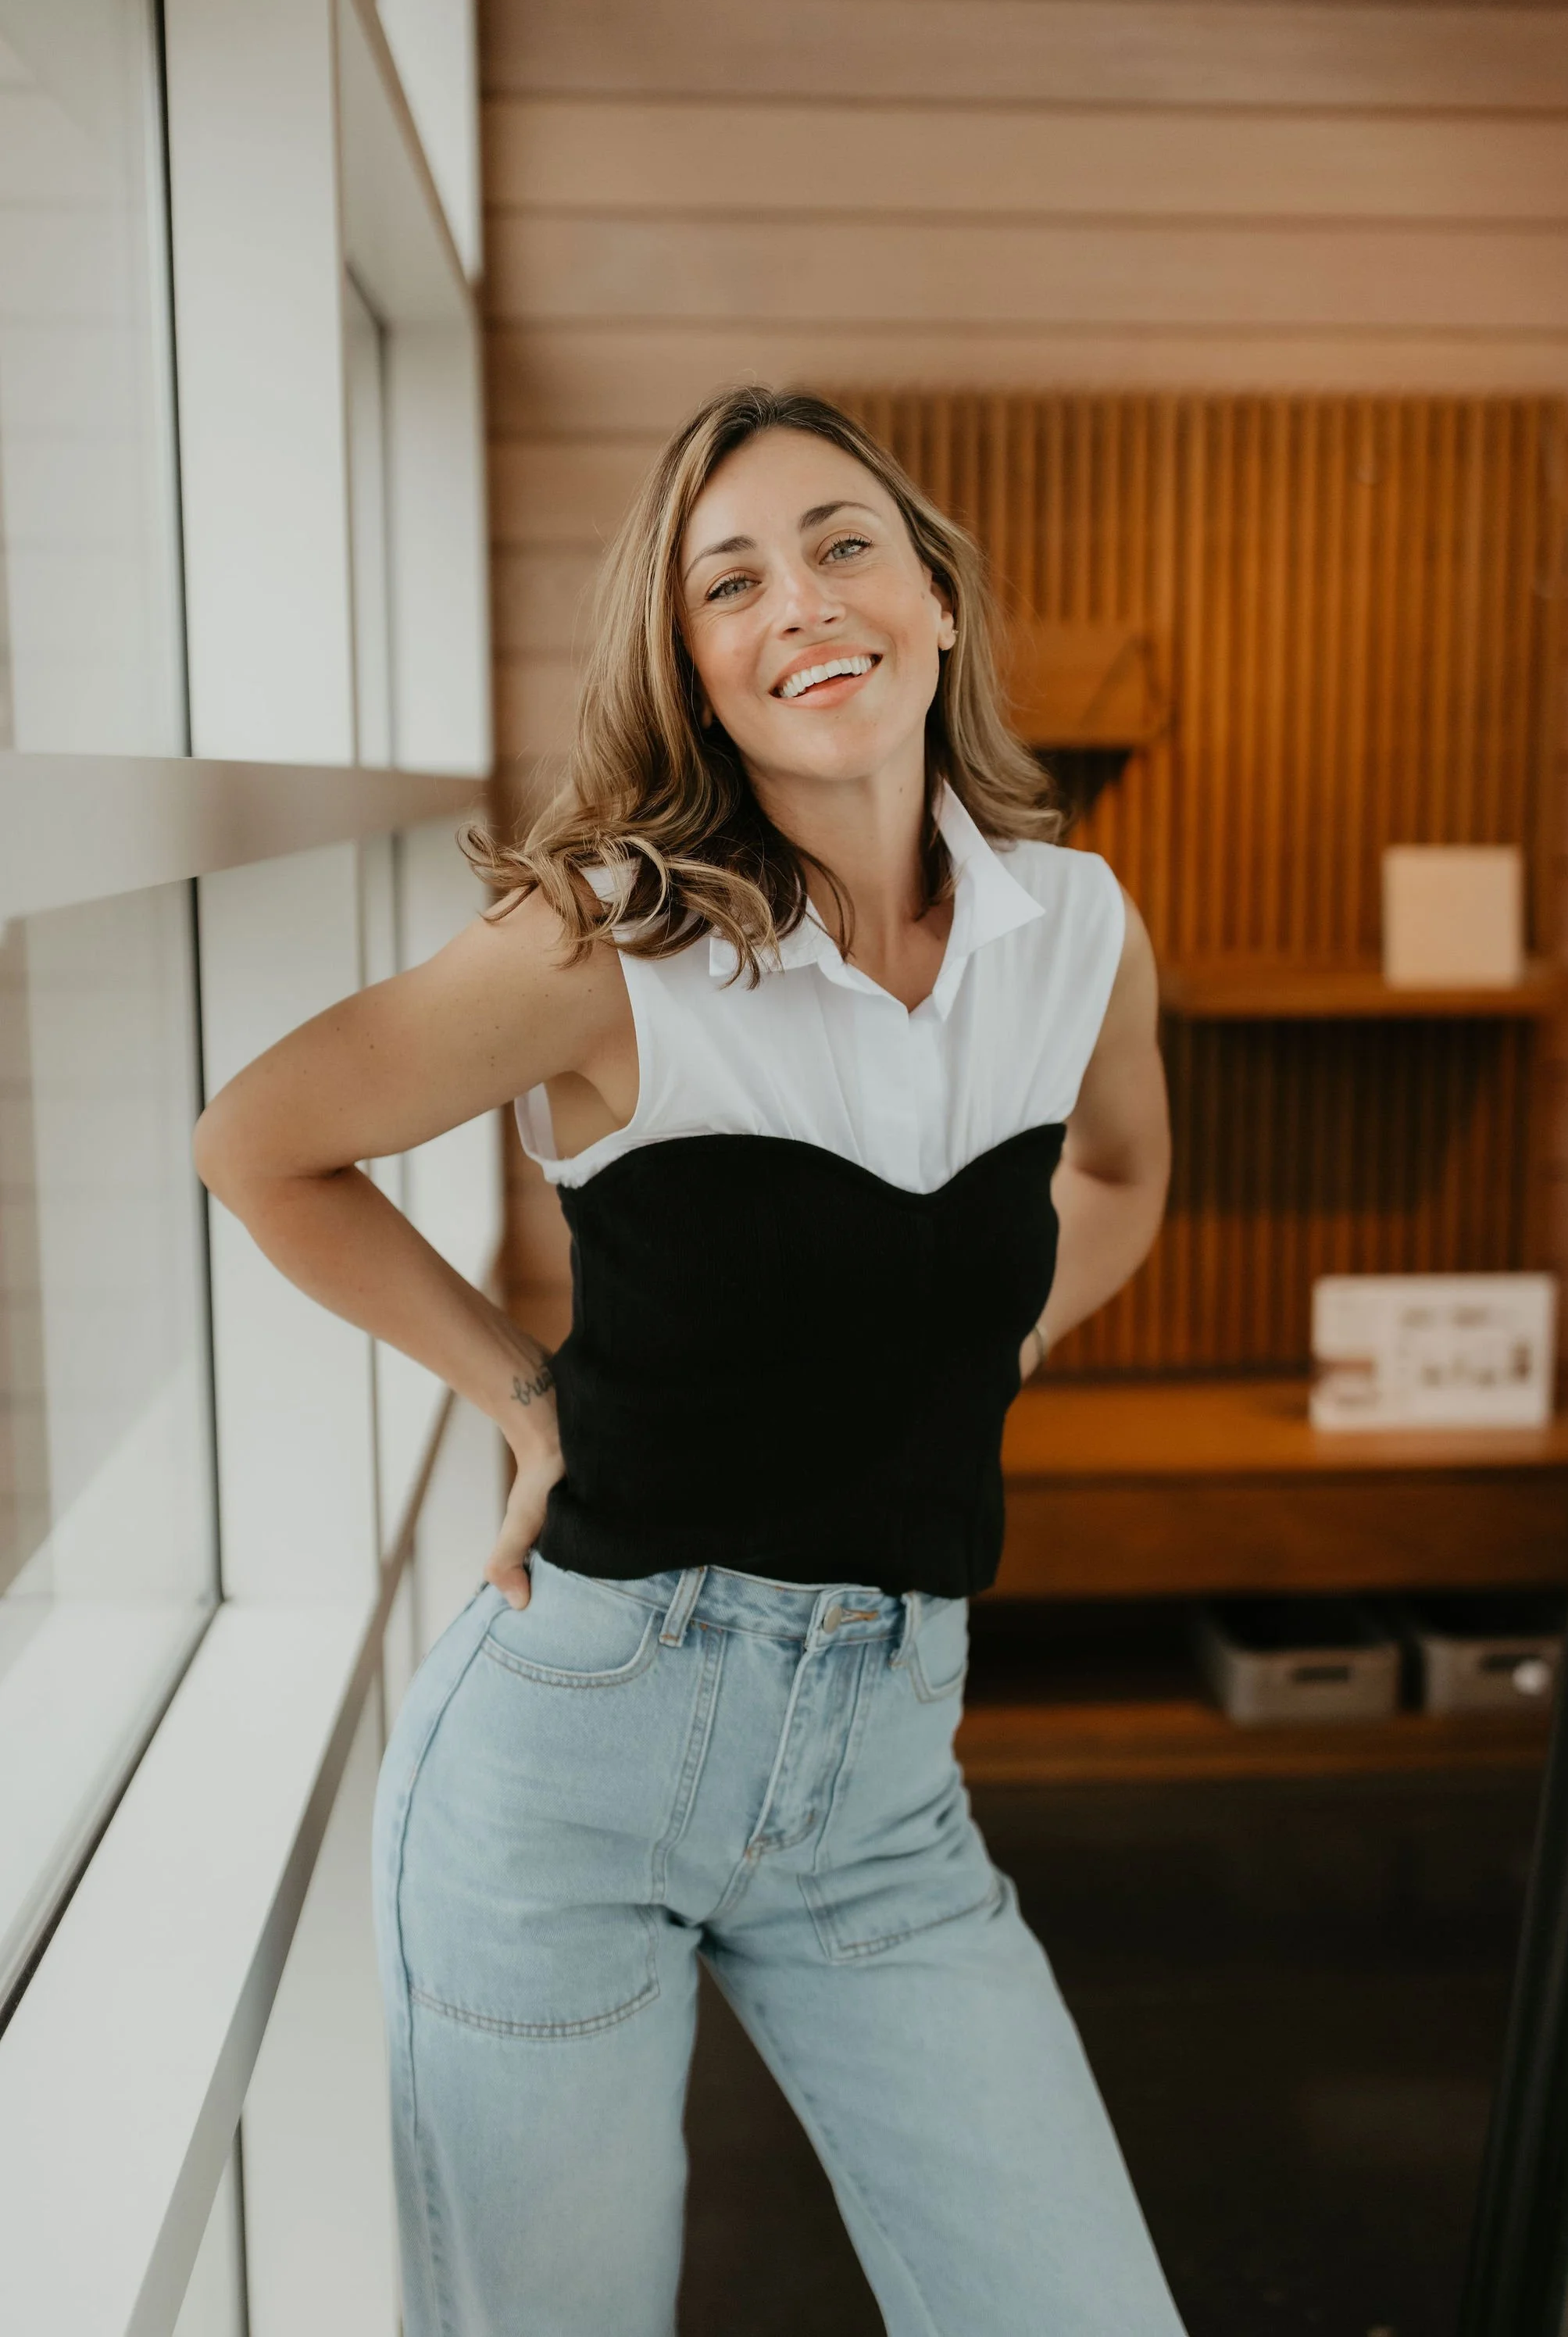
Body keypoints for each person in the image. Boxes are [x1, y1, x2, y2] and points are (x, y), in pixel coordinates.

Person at [194, 387, 1182, 2336]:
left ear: (935, 601)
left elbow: (1124, 1170)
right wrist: (521, 1391)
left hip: (883, 1778)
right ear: (696, 674)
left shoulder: (1071, 927)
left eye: (839, 544)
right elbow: (263, 1141)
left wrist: (972, 1345)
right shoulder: (607, 941)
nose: (798, 601)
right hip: (572, 1755)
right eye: (727, 581)